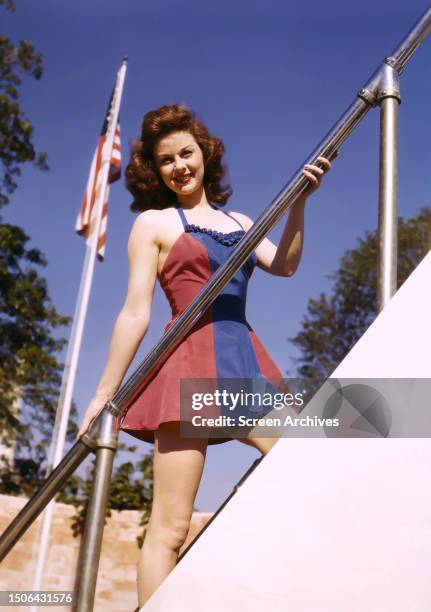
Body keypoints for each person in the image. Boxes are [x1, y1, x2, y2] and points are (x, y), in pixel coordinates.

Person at [77, 104, 332, 606]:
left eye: (186, 153)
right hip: (187, 366)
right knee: (170, 527)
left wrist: (300, 203)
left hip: (243, 362)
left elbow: (284, 265)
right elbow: (135, 312)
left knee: (307, 459)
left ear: (204, 153)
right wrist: (102, 396)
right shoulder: (152, 223)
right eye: (166, 159)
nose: (179, 166)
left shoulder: (238, 220)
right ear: (157, 170)